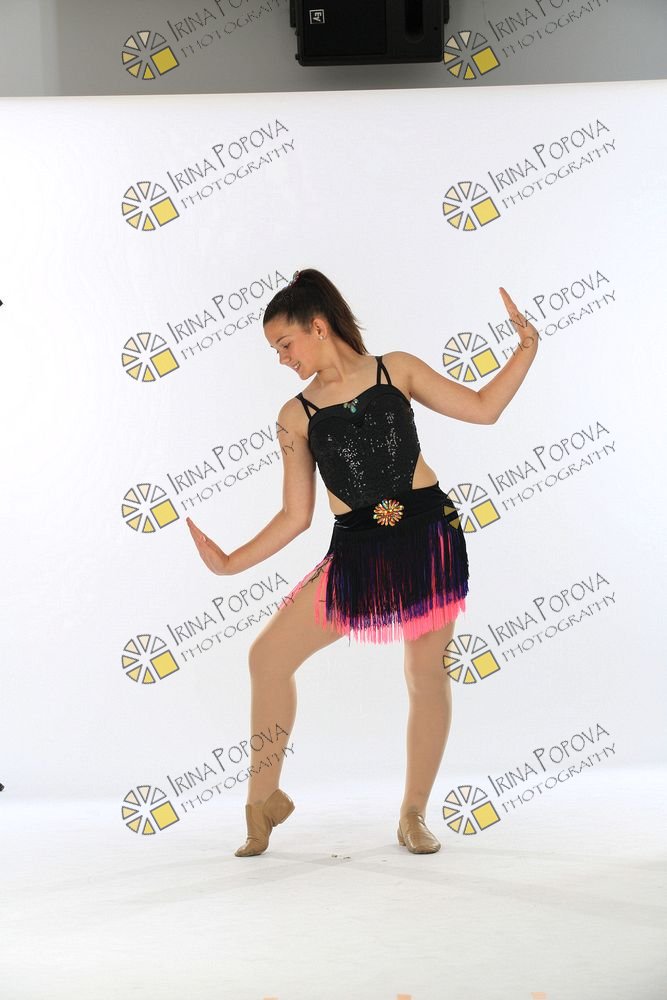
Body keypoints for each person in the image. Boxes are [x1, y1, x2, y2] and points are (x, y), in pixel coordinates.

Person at [186, 268, 539, 857]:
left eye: (285, 344)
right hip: (356, 550)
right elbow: (295, 516)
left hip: (427, 537)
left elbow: (483, 409)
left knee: (425, 676)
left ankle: (413, 813)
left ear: (318, 327)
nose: (281, 358)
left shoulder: (395, 369)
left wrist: (525, 350)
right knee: (267, 657)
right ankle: (262, 802)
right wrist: (228, 563)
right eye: (275, 350)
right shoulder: (295, 415)